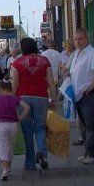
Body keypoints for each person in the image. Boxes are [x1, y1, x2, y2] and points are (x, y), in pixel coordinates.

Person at [11, 37, 57, 171]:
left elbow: (15, 84)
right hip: (41, 97)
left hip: (23, 98)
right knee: (40, 127)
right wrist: (53, 99)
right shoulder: (44, 61)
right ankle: (42, 152)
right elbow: (51, 82)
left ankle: (30, 162)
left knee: (27, 130)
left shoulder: (17, 62)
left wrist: (11, 101)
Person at [0, 77, 30, 180]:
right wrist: (20, 118)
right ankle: (9, 166)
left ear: (1, 88)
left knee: (3, 146)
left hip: (2, 125)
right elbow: (27, 107)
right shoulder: (16, 98)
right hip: (13, 125)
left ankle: (4, 170)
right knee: (10, 145)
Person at [69, 28, 94, 164]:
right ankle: (87, 151)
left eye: (80, 39)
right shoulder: (77, 54)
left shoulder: (91, 53)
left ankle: (91, 154)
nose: (78, 42)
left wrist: (90, 88)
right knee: (83, 126)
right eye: (76, 39)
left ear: (87, 38)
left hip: (88, 95)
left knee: (90, 126)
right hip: (77, 95)